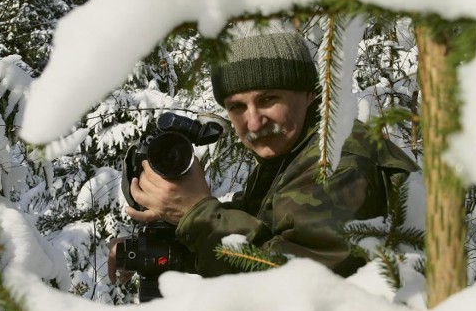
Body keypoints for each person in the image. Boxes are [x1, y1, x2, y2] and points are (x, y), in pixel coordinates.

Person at [123, 31, 418, 278]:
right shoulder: (290, 155)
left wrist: (197, 215)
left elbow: (297, 283)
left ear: (309, 94)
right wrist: (153, 247)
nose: (253, 122)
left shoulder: (339, 160)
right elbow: (263, 233)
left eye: (268, 99)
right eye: (237, 106)